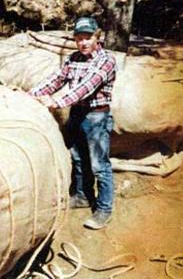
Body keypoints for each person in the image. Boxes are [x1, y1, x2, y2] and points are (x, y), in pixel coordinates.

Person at [29, 17, 118, 230]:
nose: (83, 42)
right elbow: (55, 80)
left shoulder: (106, 61)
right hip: (77, 113)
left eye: (88, 38)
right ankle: (81, 196)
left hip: (96, 117)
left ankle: (104, 209)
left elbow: (85, 88)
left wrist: (56, 102)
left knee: (99, 165)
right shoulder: (73, 59)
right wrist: (30, 95)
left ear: (97, 37)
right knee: (77, 158)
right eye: (79, 38)